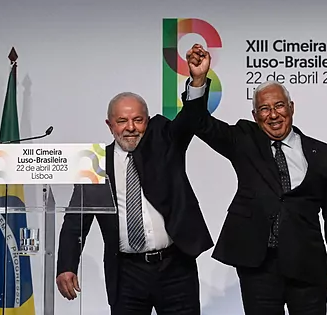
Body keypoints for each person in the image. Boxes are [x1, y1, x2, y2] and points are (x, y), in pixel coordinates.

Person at [184, 44, 327, 314]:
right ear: (255, 116)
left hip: (307, 266)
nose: (273, 115)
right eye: (264, 109)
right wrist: (199, 80)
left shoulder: (323, 154)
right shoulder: (243, 140)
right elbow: (198, 122)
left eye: (279, 106)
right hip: (258, 267)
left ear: (291, 108)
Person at [55, 45, 214, 314]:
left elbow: (188, 121)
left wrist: (197, 81)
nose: (130, 127)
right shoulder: (94, 164)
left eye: (138, 120)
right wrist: (67, 265)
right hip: (126, 273)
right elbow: (75, 222)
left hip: (175, 268)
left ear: (148, 121)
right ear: (109, 125)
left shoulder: (165, 141)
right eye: (122, 121)